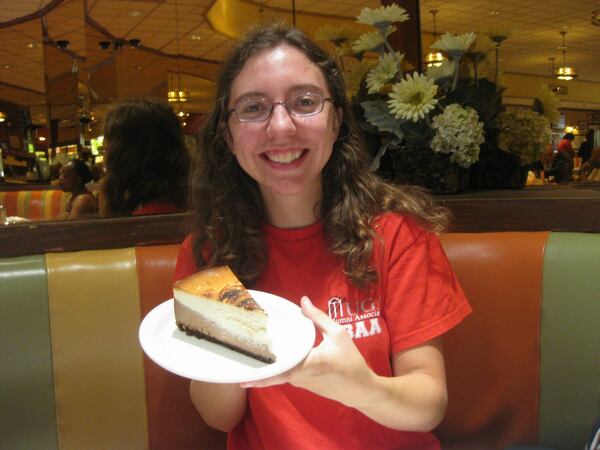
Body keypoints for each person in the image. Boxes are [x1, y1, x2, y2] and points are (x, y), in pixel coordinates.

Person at [174, 23, 471, 450]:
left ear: (335, 121)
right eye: (254, 108)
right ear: (228, 134)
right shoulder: (208, 254)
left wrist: (361, 387)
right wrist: (233, 340)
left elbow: (427, 405)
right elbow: (219, 416)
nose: (281, 127)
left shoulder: (397, 234)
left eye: (305, 102)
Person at [101, 98, 190, 216]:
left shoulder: (137, 221)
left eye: (106, 149)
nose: (104, 157)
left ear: (122, 156)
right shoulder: (199, 208)